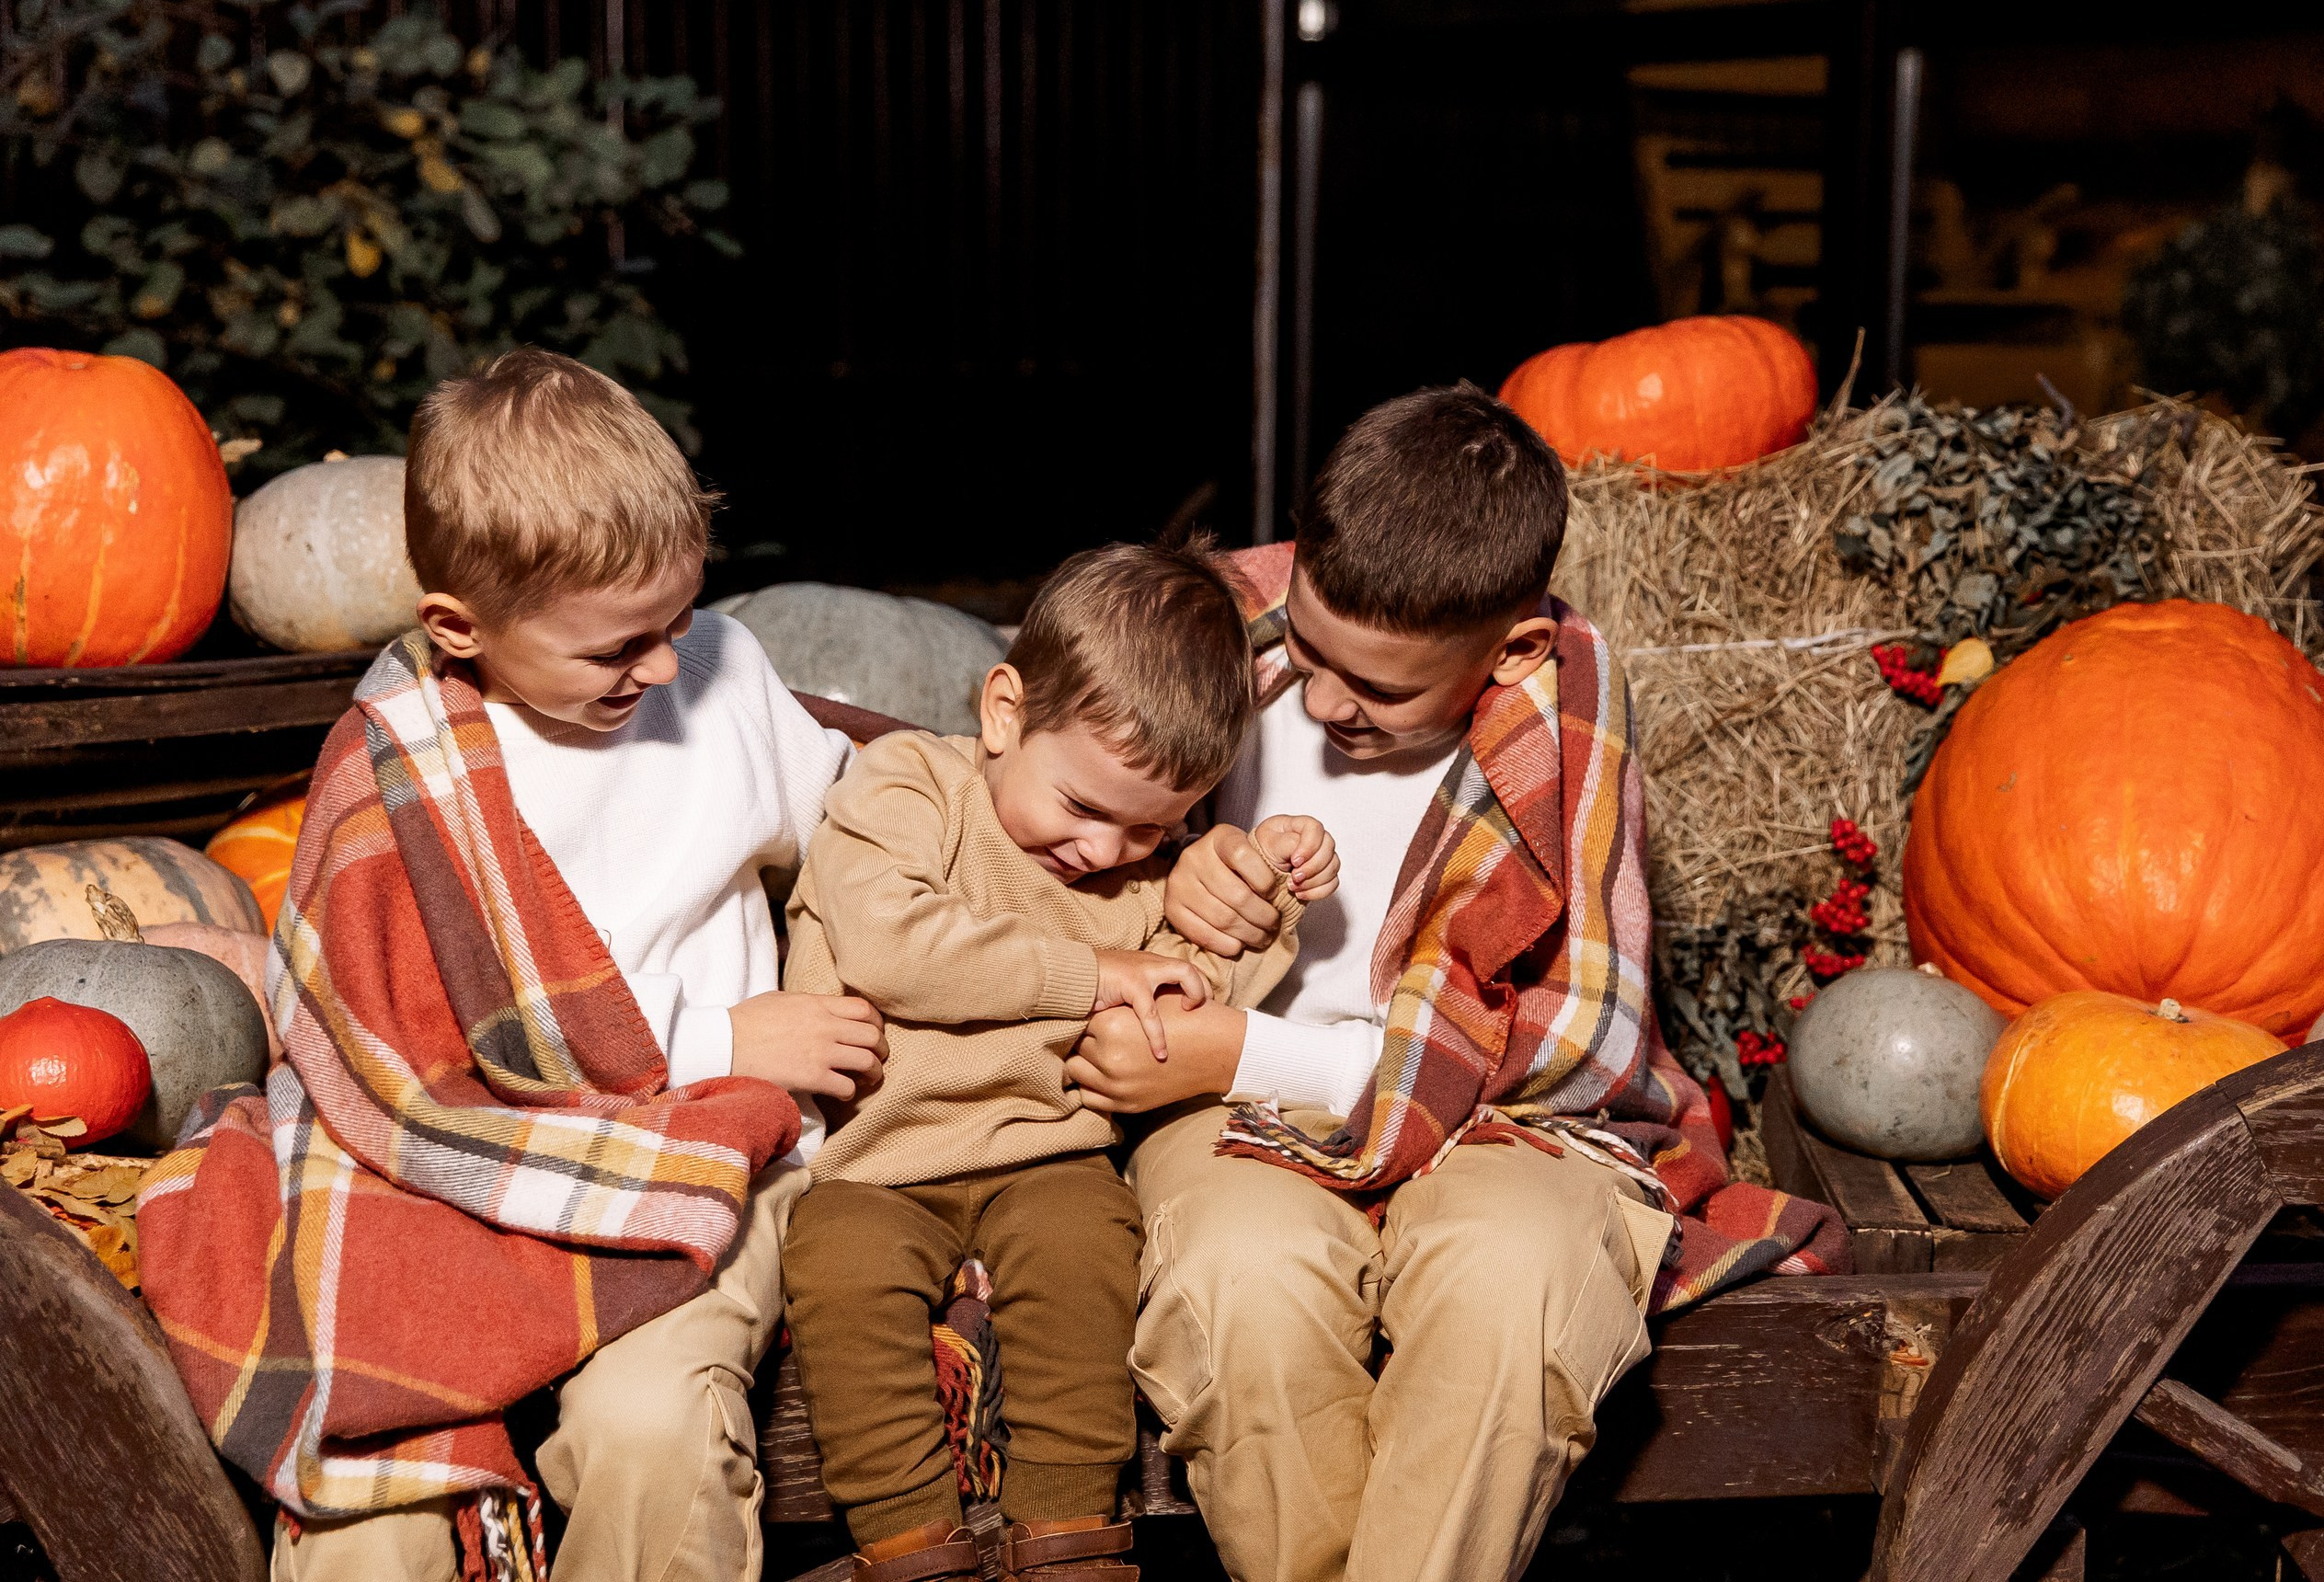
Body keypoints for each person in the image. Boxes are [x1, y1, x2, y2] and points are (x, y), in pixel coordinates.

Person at [1063, 385, 1851, 1582]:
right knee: (1239, 1283)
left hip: (1499, 1117)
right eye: (1311, 651)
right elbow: (1045, 852)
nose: (1325, 704)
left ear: (1512, 647)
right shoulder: (1206, 621)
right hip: (1232, 1109)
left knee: (1516, 1280)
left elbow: (1578, 1044)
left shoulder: (1565, 692)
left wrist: (1256, 1051)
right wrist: (1174, 872)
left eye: (1376, 691)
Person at [139, 348, 888, 1582]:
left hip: (702, 1142)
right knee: (368, 1507)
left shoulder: (721, 683)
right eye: (615, 650)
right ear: (459, 627)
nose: (660, 668)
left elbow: (866, 826)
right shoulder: (399, 767)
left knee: (655, 1428)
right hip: (465, 1154)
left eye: (679, 620)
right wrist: (723, 1033)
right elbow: (408, 1031)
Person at [777, 541, 1338, 1582]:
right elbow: (892, 944)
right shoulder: (912, 789)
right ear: (1003, 713)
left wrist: (1260, 896)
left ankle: (1068, 1538)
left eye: (1153, 826)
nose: (1107, 852)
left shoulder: (1143, 873)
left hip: (1047, 1156)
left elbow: (1182, 1001)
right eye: (1082, 808)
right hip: (873, 1158)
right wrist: (1088, 971)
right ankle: (910, 1547)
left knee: (1088, 1252)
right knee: (842, 1274)